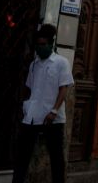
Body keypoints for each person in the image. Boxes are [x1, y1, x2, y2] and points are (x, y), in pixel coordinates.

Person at [13, 24, 73, 183]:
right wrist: (25, 106)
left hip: (52, 118)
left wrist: (54, 111)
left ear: (51, 44)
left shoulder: (61, 62)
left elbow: (63, 89)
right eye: (38, 44)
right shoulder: (34, 64)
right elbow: (29, 87)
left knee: (56, 156)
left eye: (43, 44)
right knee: (22, 154)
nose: (40, 47)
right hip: (32, 116)